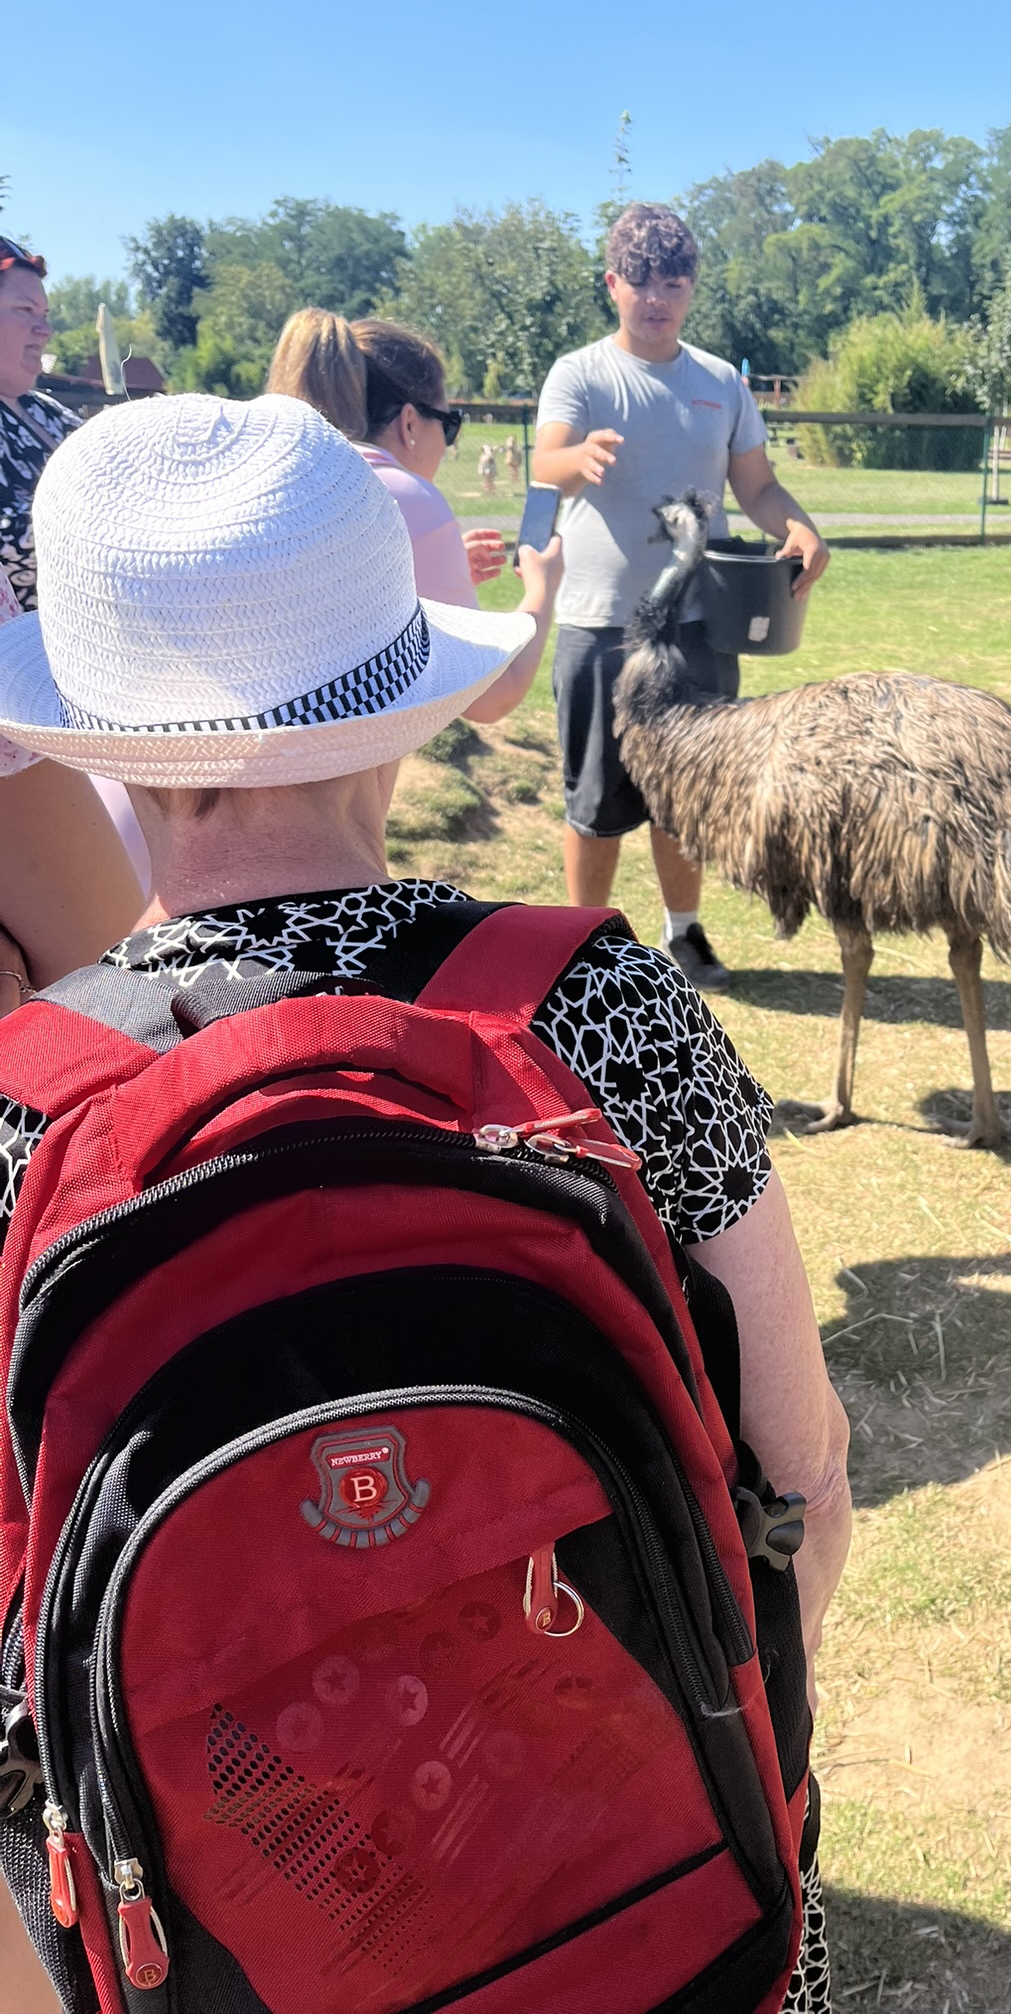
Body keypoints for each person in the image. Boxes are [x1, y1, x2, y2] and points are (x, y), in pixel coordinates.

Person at [0, 392, 849, 2012]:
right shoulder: (607, 1006)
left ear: (102, 743)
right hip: (664, 1929)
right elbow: (800, 1476)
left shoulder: (23, 1117)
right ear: (398, 706)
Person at [533, 203, 830, 988]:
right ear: (612, 285)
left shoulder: (720, 382)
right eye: (640, 282)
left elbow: (757, 487)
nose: (656, 298)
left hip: (699, 626)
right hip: (601, 625)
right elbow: (544, 465)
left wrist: (798, 526)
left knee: (686, 797)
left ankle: (684, 934)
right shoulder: (580, 374)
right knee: (596, 803)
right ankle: (583, 952)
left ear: (692, 288)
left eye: (672, 283)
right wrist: (577, 460)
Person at [0, 235, 149, 987]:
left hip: (87, 700)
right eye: (24, 309)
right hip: (25, 716)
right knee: (112, 980)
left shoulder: (46, 416)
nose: (45, 326)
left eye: (46, 311)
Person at [268, 310, 508, 615]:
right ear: (409, 424)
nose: (448, 444)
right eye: (449, 424)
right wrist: (543, 583)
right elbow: (482, 649)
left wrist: (438, 570)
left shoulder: (289, 482)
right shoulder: (411, 500)